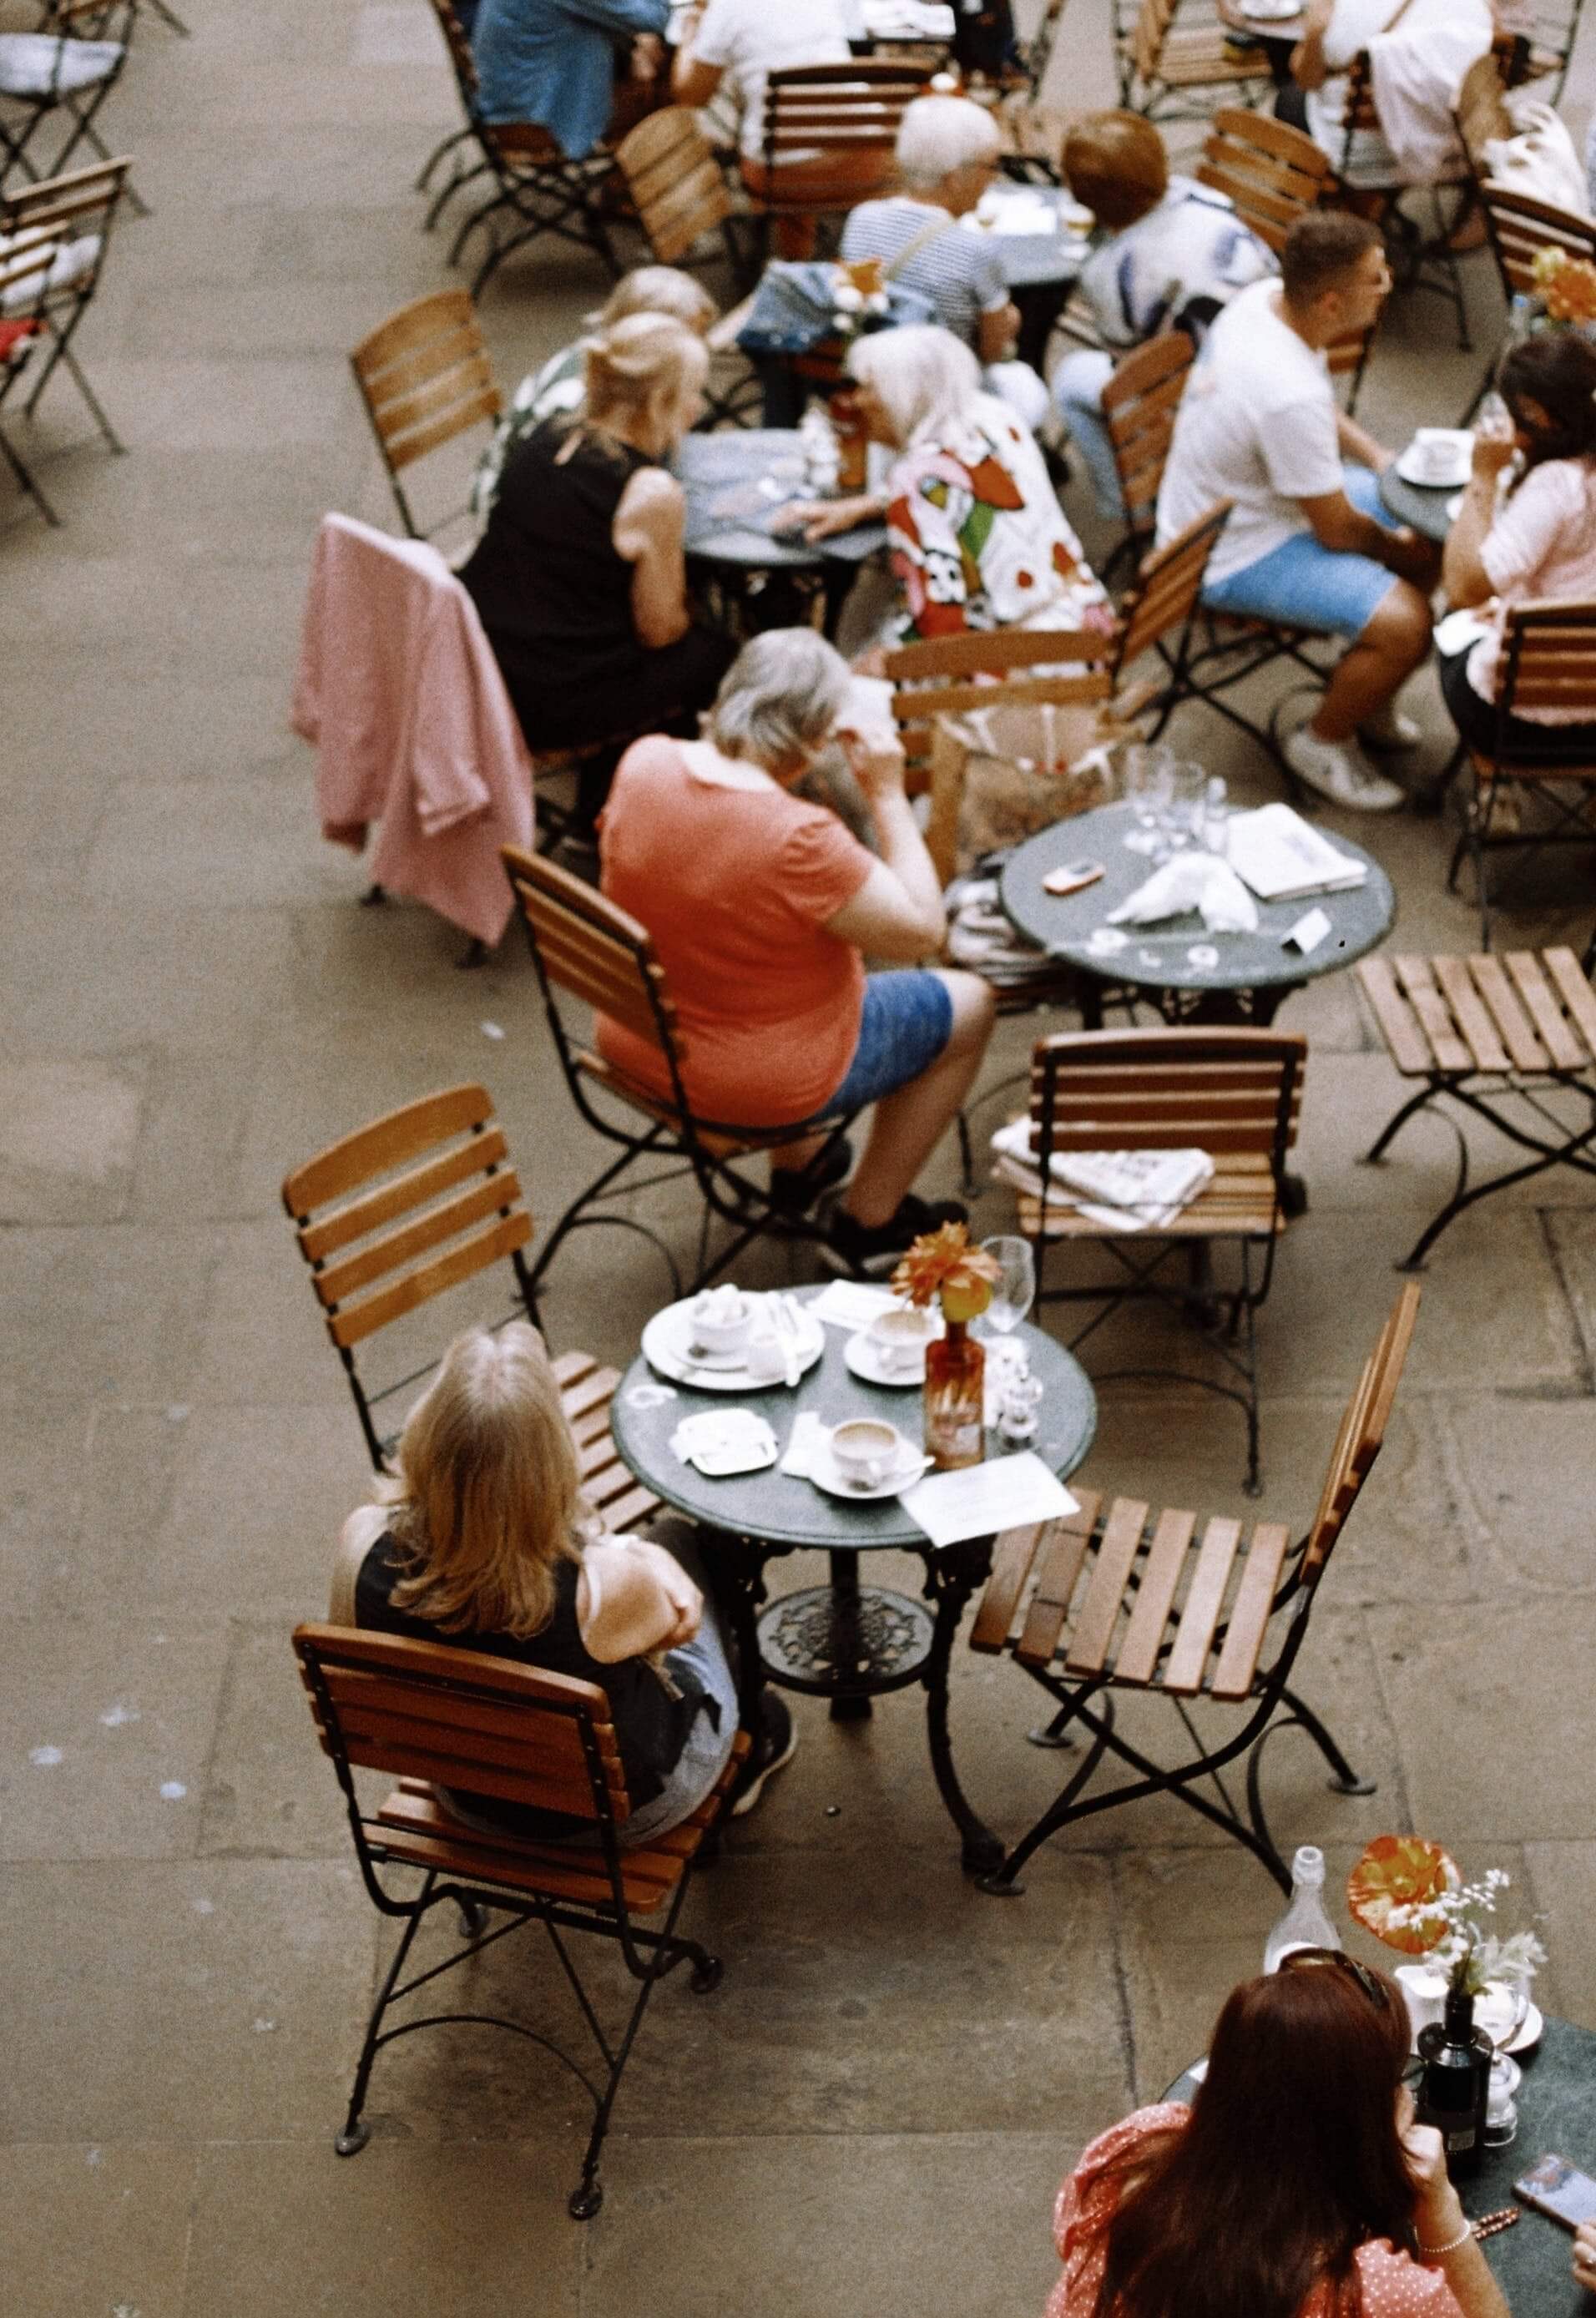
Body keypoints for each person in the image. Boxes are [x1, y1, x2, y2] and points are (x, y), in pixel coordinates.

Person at [596, 628, 996, 1273]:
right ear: (815, 741)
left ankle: (802, 1171)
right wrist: (888, 794)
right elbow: (923, 931)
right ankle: (868, 1220)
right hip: (754, 1080)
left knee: (759, 957)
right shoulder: (800, 839)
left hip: (639, 1036)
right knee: (971, 1003)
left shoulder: (645, 761)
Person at [341, 1322, 797, 1838]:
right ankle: (754, 1731)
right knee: (685, 1542)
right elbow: (681, 1622)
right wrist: (650, 1554)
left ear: (426, 1436)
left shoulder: (361, 1546)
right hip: (612, 1820)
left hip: (470, 1795)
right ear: (549, 1462)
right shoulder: (601, 1589)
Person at [1046, 1947, 1510, 2318]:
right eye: (1394, 2082)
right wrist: (1440, 2206)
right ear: (1358, 2116)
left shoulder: (1133, 2146)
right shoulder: (1375, 2291)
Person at [1155, 211, 1440, 812]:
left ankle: (1370, 690)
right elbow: (1337, 530)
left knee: (1424, 515)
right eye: (1377, 278)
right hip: (1229, 552)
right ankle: (1322, 740)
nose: (1388, 283)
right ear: (1333, 304)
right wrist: (1401, 550)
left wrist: (1378, 457)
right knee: (1409, 622)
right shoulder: (1287, 393)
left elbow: (1311, 417)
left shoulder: (1266, 303)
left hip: (1240, 504)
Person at [458, 312, 735, 828]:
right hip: (553, 699)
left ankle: (603, 802)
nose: (698, 408)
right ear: (660, 402)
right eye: (693, 393)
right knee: (716, 655)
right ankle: (643, 815)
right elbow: (661, 631)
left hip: (487, 665)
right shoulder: (650, 492)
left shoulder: (544, 440)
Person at [785, 326, 1113, 645]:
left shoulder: (915, 480)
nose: (855, 400)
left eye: (867, 387)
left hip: (1024, 662)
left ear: (903, 396)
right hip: (1085, 622)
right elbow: (964, 489)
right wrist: (866, 507)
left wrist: (866, 665)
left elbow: (932, 623)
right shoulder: (995, 416)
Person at [1053, 110, 1277, 518]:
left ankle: (1130, 508)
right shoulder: (1203, 196)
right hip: (1270, 364)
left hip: (1208, 406)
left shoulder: (1113, 271)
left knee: (1072, 379)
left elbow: (1127, 368)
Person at [839, 94, 1049, 432]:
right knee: (1025, 387)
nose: (993, 178)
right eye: (990, 167)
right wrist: (1010, 320)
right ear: (954, 178)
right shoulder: (975, 251)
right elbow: (993, 350)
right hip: (943, 393)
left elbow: (856, 297)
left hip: (875, 378)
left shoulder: (861, 219)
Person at [1438, 330, 1596, 764]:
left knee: (1455, 615)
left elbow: (1464, 585)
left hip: (1515, 724)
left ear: (1539, 417)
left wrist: (1483, 478)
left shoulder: (1558, 488)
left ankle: (1495, 789)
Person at [470, 266, 717, 525]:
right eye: (686, 339)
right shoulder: (582, 399)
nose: (696, 352)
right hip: (519, 511)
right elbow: (561, 492)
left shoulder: (609, 364)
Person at [669, 0, 858, 247]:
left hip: (779, 172)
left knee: (785, 145)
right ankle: (802, 258)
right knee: (799, 135)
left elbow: (690, 97)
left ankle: (793, 264)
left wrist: (690, 34)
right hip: (861, 162)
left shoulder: (726, 9)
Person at [1276, 0, 1492, 191]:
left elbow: (1306, 80)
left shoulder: (1339, 7)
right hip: (1447, 149)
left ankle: (1307, 200)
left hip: (1358, 156)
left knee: (1288, 100)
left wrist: (1315, 31)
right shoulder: (1477, 7)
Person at [471, 0, 668, 159]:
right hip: (533, 119)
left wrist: (638, 42)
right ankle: (627, 191)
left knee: (654, 69)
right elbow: (656, 18)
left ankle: (622, 187)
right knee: (674, 92)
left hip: (509, 101)